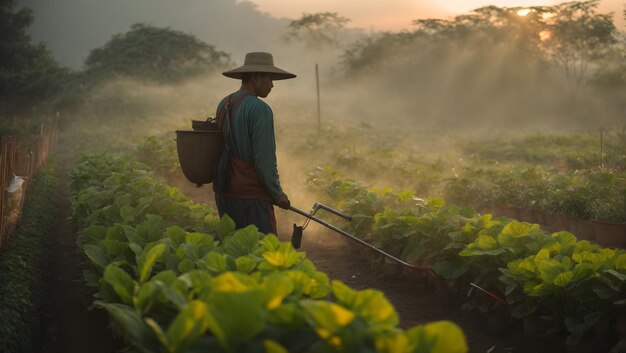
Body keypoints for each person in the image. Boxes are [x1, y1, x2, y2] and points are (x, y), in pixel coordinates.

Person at [212, 52, 294, 235]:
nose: (272, 84)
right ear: (256, 78)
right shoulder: (260, 110)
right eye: (270, 78)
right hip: (250, 195)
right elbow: (264, 159)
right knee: (263, 253)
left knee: (234, 250)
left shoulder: (224, 103)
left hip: (224, 192)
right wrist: (277, 193)